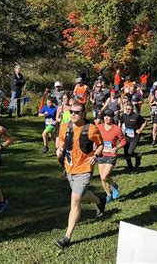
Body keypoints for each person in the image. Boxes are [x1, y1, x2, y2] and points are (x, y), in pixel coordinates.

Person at [55, 102, 106, 249]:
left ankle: (66, 237)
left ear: (83, 114)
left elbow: (101, 144)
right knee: (82, 195)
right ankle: (99, 201)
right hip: (69, 168)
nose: (73, 114)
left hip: (84, 169)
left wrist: (95, 155)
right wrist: (59, 149)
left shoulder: (91, 129)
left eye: (76, 112)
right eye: (71, 112)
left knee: (75, 200)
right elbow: (61, 141)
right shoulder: (65, 126)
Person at [97, 109, 127, 202]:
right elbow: (94, 137)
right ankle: (108, 195)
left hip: (111, 155)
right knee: (103, 178)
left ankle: (114, 186)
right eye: (105, 116)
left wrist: (116, 147)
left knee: (104, 176)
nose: (106, 118)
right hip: (101, 154)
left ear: (112, 117)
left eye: (108, 116)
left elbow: (123, 140)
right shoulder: (99, 127)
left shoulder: (116, 129)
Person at [121, 102, 146, 171]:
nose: (127, 110)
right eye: (126, 109)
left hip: (135, 137)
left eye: (129, 109)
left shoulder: (137, 116)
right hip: (126, 136)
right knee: (126, 154)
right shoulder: (124, 115)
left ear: (132, 109)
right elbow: (120, 123)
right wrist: (120, 131)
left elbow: (144, 122)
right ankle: (130, 167)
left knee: (130, 152)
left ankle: (137, 156)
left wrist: (140, 129)